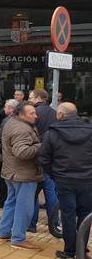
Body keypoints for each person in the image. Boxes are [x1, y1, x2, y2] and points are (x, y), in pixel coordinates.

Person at [39, 102, 92, 259]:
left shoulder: (51, 133)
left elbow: (44, 158)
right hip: (87, 180)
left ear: (61, 115)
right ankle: (82, 249)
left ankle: (69, 250)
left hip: (64, 180)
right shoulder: (90, 130)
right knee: (85, 214)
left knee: (67, 215)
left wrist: (55, 174)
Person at [0, 101, 42, 250]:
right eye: (32, 113)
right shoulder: (22, 129)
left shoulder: (11, 122)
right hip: (23, 174)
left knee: (11, 203)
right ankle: (18, 238)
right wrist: (40, 146)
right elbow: (22, 152)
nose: (36, 115)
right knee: (24, 207)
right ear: (21, 114)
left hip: (11, 172)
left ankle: (4, 232)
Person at [28, 89, 58, 232]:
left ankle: (31, 225)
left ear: (39, 98)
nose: (29, 99)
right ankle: (54, 225)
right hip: (51, 159)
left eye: (31, 97)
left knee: (33, 193)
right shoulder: (55, 113)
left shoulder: (32, 112)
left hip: (35, 158)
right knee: (51, 193)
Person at [0, 99, 18, 208]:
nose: (4, 109)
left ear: (11, 108)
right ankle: (3, 200)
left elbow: (1, 138)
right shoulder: (10, 120)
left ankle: (2, 200)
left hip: (5, 155)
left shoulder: (8, 120)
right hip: (6, 155)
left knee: (3, 179)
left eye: (5, 107)